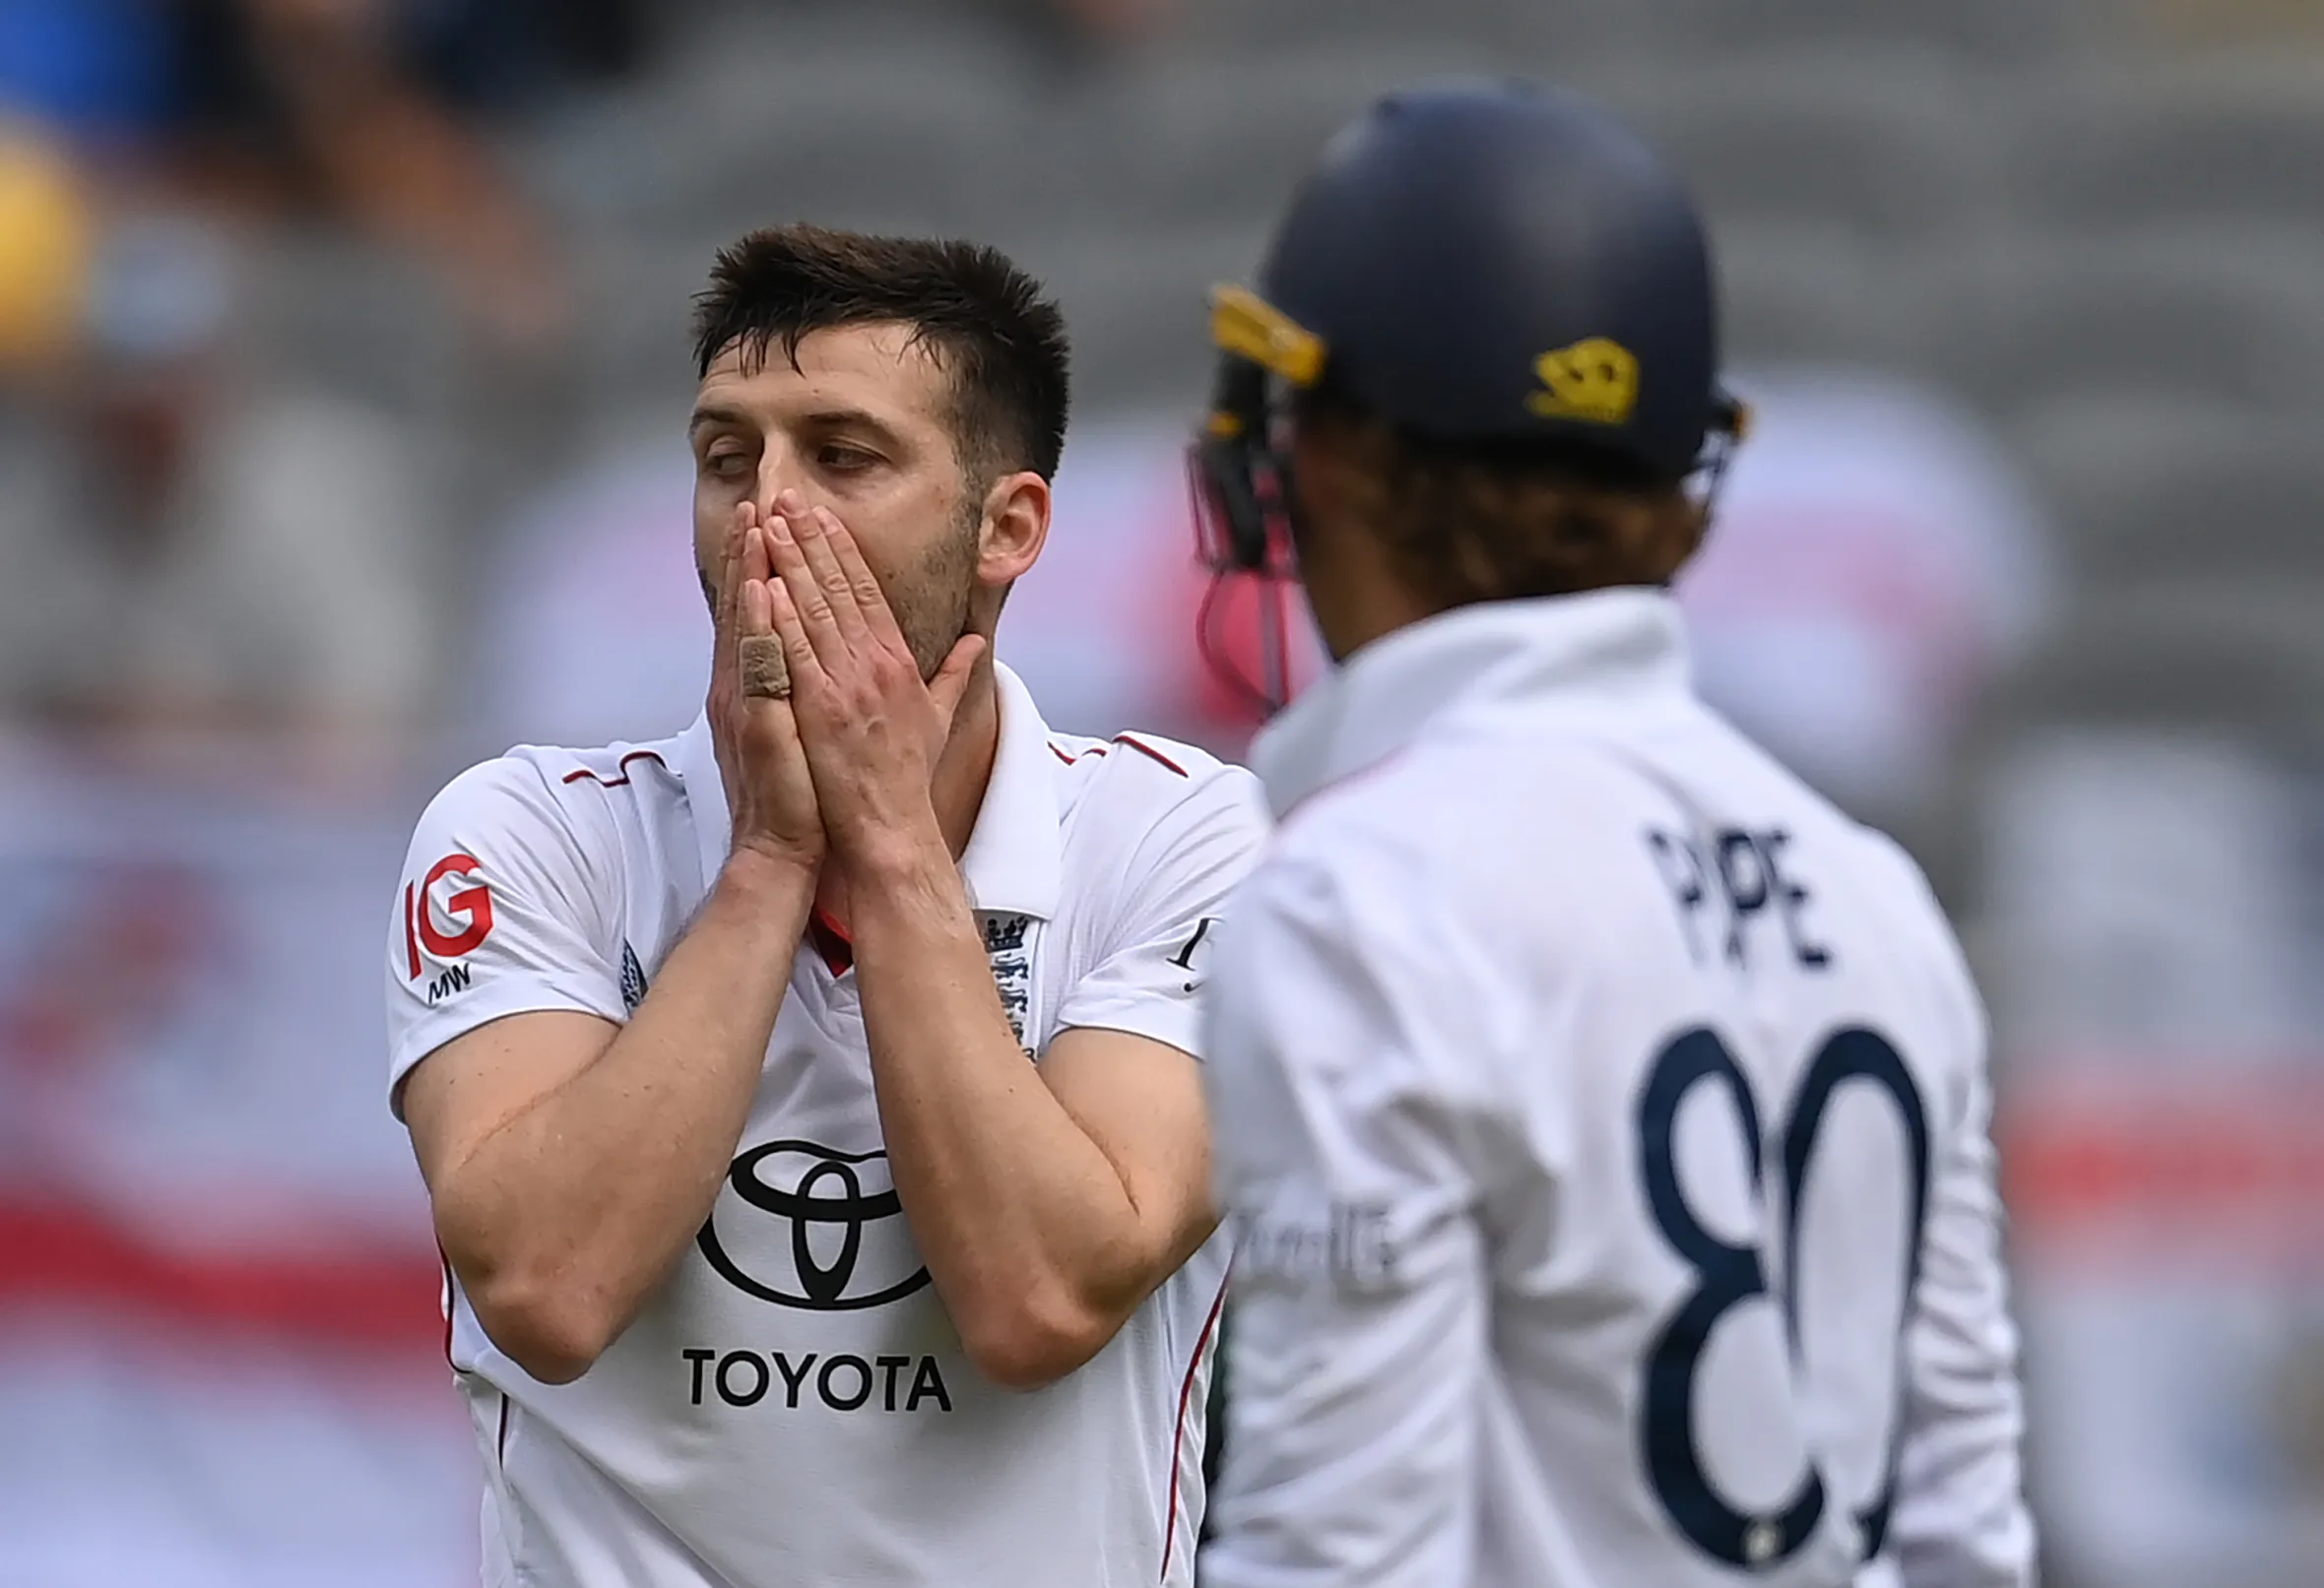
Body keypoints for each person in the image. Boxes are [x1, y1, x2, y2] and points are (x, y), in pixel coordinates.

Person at [1189, 84, 2035, 1587]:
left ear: (1316, 451)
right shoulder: (1875, 892)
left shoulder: (1359, 894)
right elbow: (1965, 1531)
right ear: (1681, 486)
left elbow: (1339, 1551)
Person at [385, 225, 1266, 1587]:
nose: (766, 515)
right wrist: (771, 865)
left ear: (1008, 526)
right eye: (726, 457)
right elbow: (548, 1293)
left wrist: (892, 844)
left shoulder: (1182, 841)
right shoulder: (529, 830)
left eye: (843, 457)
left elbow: (1040, 1300)